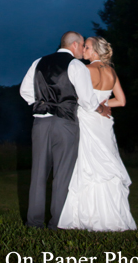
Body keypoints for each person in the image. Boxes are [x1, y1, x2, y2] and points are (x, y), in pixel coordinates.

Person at [19, 31, 103, 230]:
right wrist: (99, 106)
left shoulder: (38, 62)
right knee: (62, 175)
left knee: (38, 174)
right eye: (82, 45)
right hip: (65, 123)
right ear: (74, 45)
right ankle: (56, 224)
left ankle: (34, 223)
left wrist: (42, 104)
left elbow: (25, 91)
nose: (83, 49)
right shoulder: (76, 65)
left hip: (40, 124)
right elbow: (87, 100)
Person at [58, 36, 137, 231]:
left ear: (94, 51)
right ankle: (112, 218)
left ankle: (85, 219)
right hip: (103, 124)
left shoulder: (85, 70)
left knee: (88, 167)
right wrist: (104, 104)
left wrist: (95, 105)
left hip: (87, 122)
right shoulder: (111, 72)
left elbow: (78, 99)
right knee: (106, 168)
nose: (83, 49)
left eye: (87, 46)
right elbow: (121, 101)